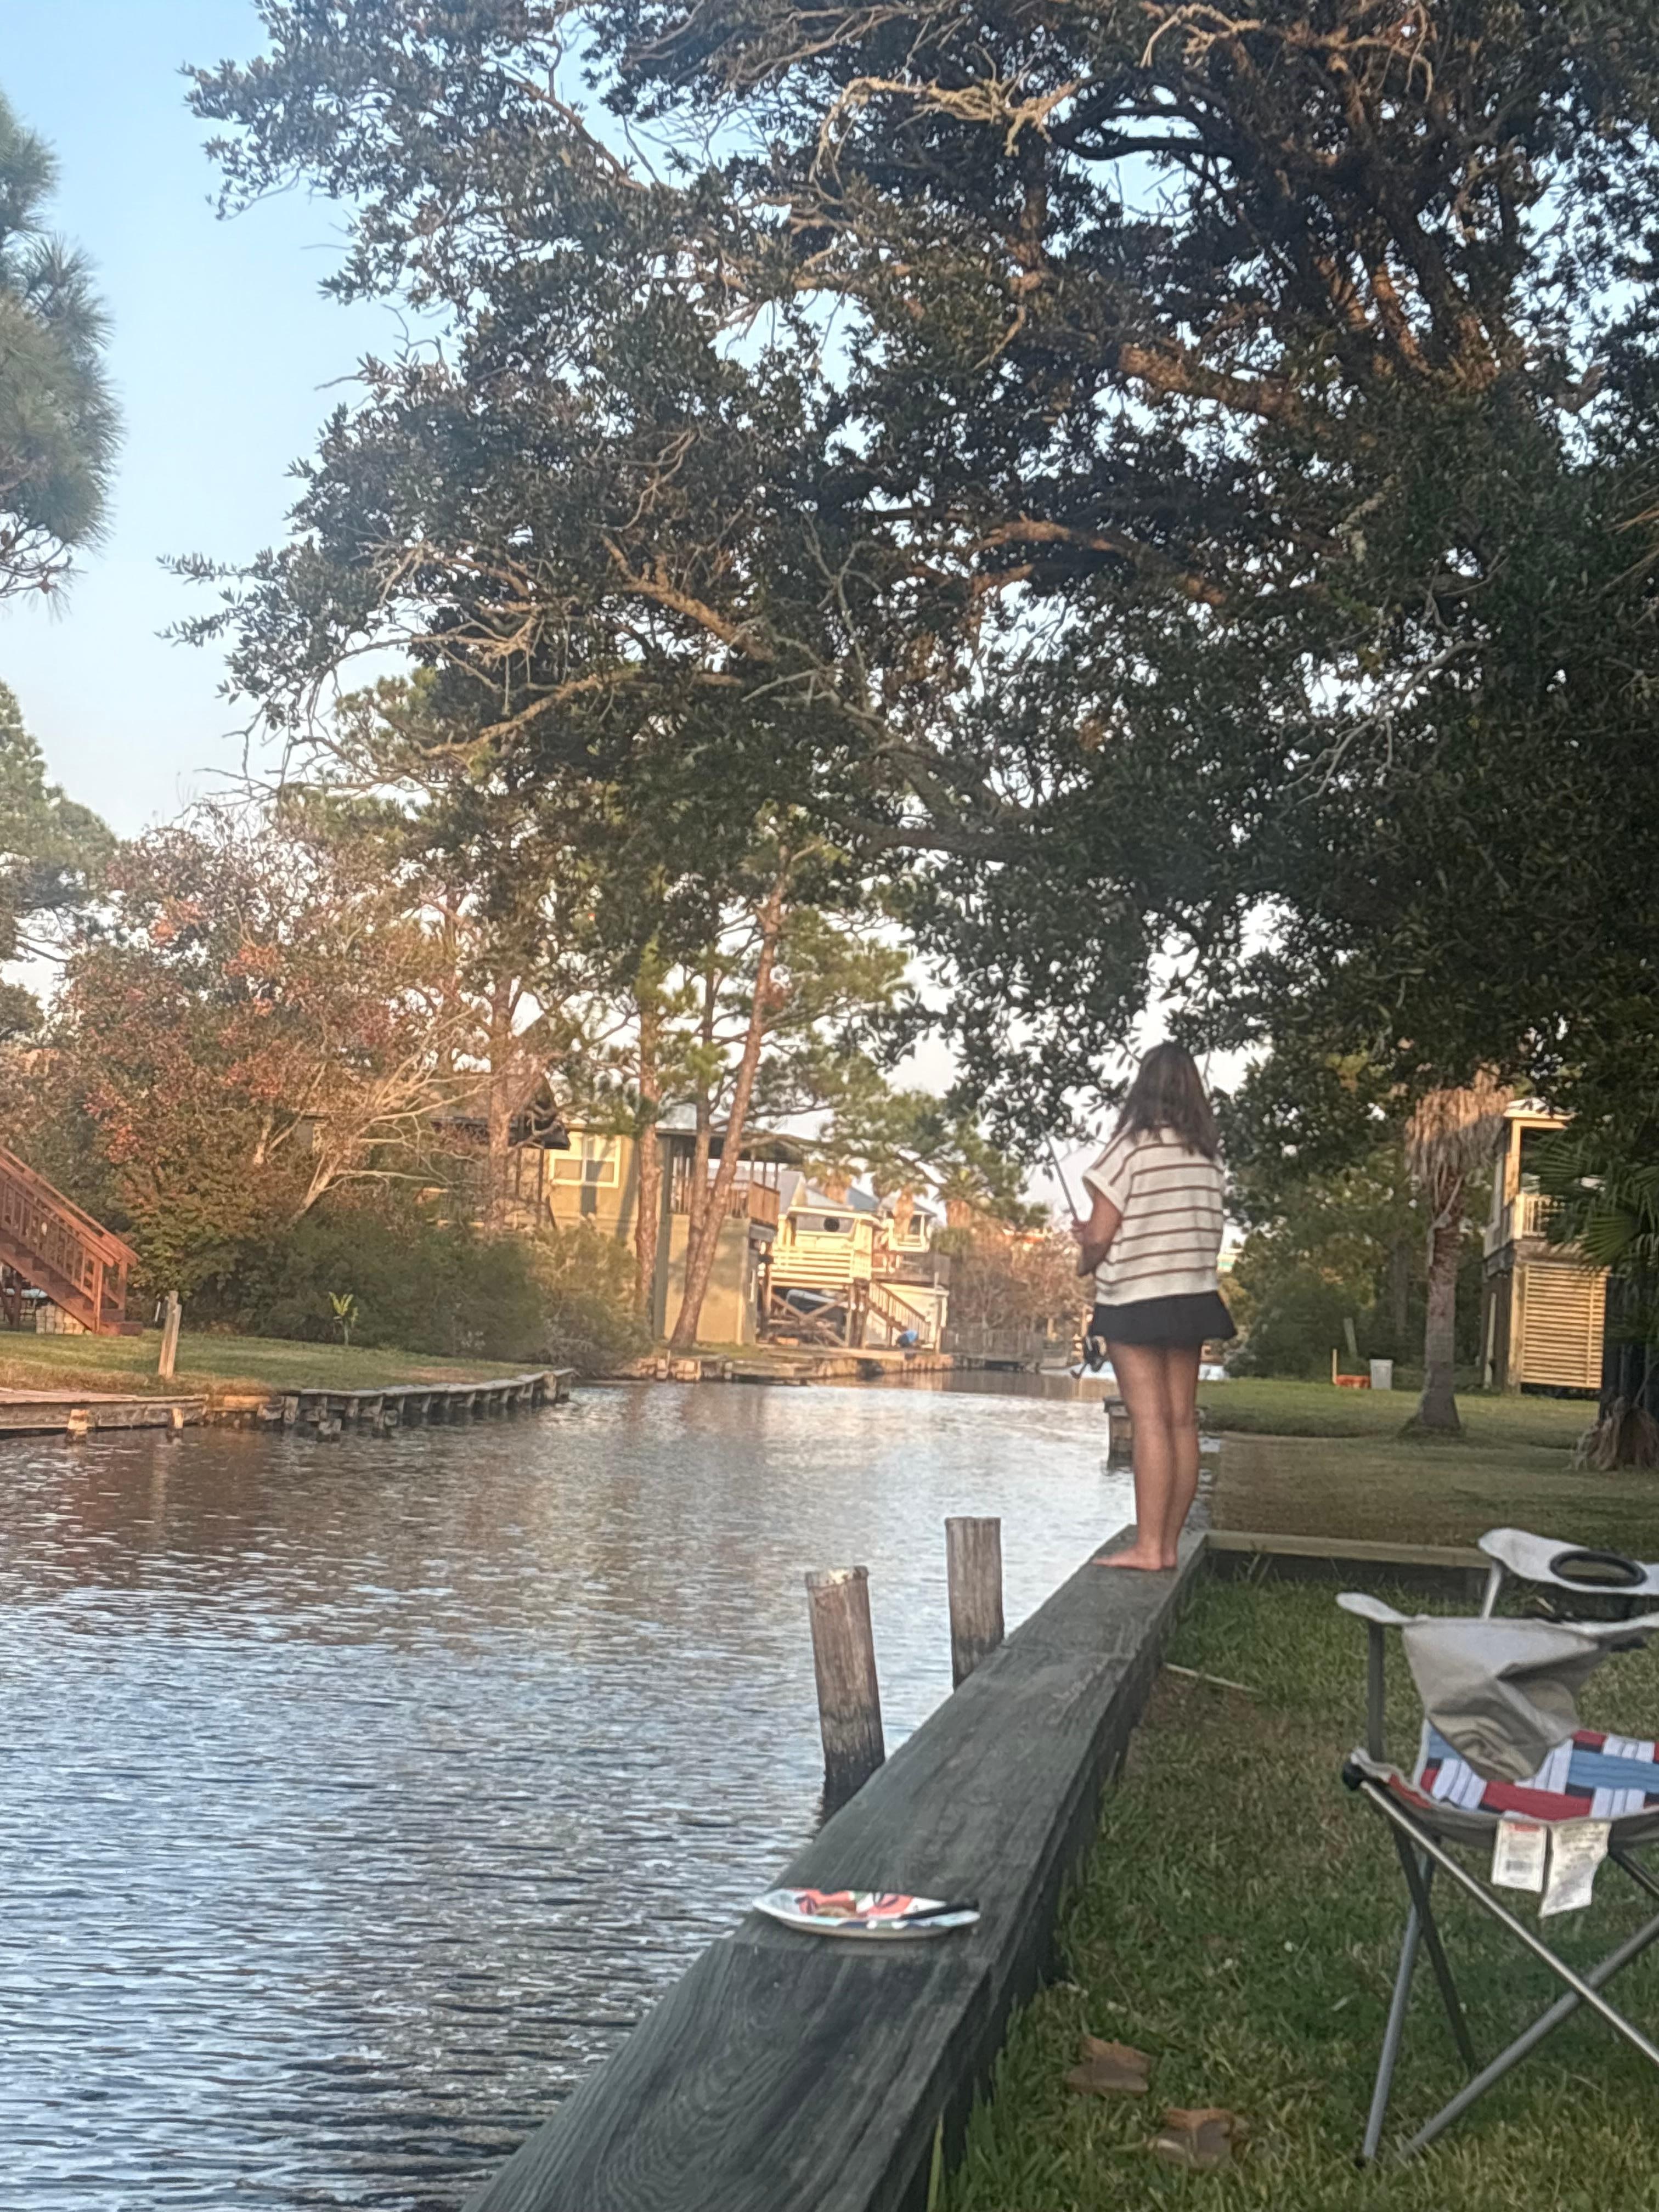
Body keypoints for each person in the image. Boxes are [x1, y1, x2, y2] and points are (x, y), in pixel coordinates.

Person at [1072, 1042, 1234, 1571]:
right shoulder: (1209, 1157)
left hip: (1135, 1300)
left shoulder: (1129, 1149)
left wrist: (1085, 1257)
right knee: (1181, 1420)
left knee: (1148, 1422)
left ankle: (1148, 1548)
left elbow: (1100, 1236)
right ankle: (1168, 1544)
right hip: (1192, 1296)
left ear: (1143, 1087)